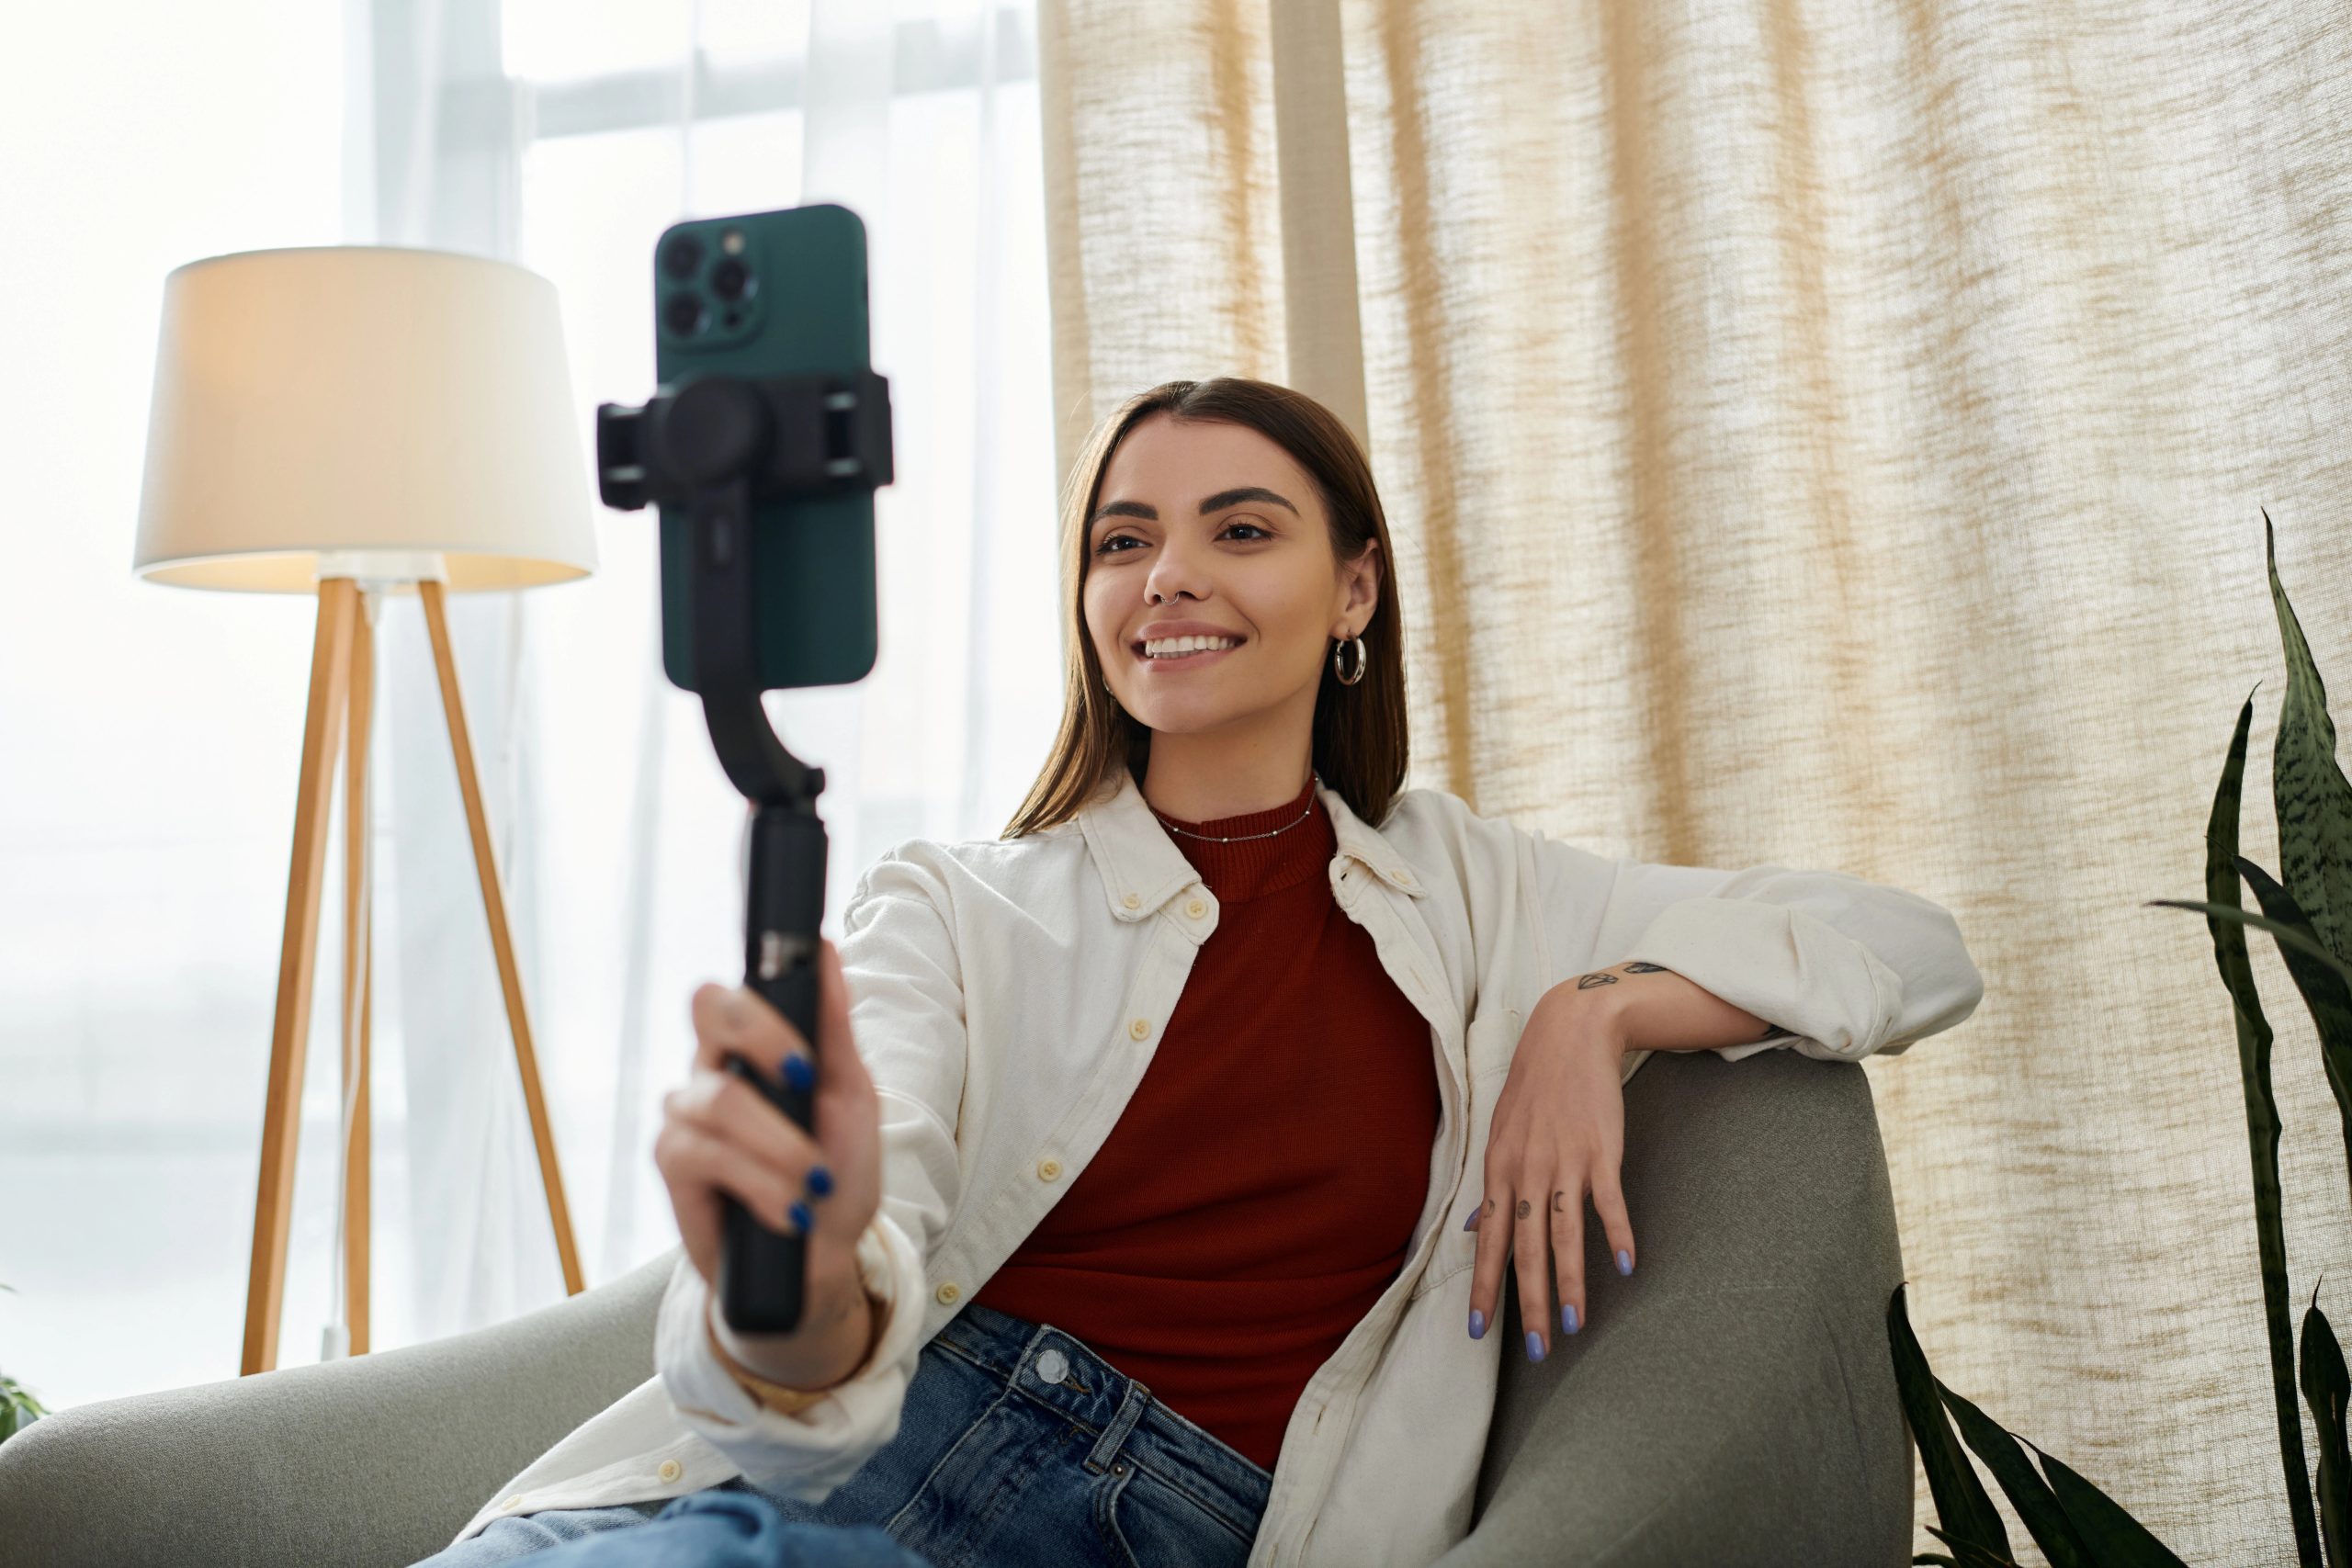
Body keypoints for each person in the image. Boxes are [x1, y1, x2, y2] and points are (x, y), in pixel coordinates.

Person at [410, 378, 1984, 1568]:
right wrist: (805, 1282)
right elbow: (845, 1263)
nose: (1167, 574)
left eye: (1240, 528)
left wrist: (1603, 1007)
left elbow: (1909, 946)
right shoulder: (953, 909)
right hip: (848, 1467)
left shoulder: (1487, 899)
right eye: (1124, 539)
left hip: (1178, 1520)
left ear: (1355, 589)